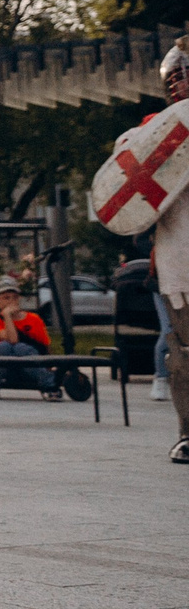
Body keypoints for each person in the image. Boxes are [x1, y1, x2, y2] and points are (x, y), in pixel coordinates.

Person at [92, 39, 189, 455]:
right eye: (177, 75)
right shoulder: (147, 135)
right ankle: (187, 431)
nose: (181, 82)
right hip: (178, 259)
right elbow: (125, 196)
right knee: (183, 353)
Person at [0, 276, 55, 396]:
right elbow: (12, 339)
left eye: (14, 297)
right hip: (8, 368)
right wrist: (8, 317)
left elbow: (45, 346)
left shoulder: (33, 319)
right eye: (6, 298)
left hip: (32, 366)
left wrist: (49, 367)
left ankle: (50, 385)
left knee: (20, 348)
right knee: (3, 347)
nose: (11, 301)